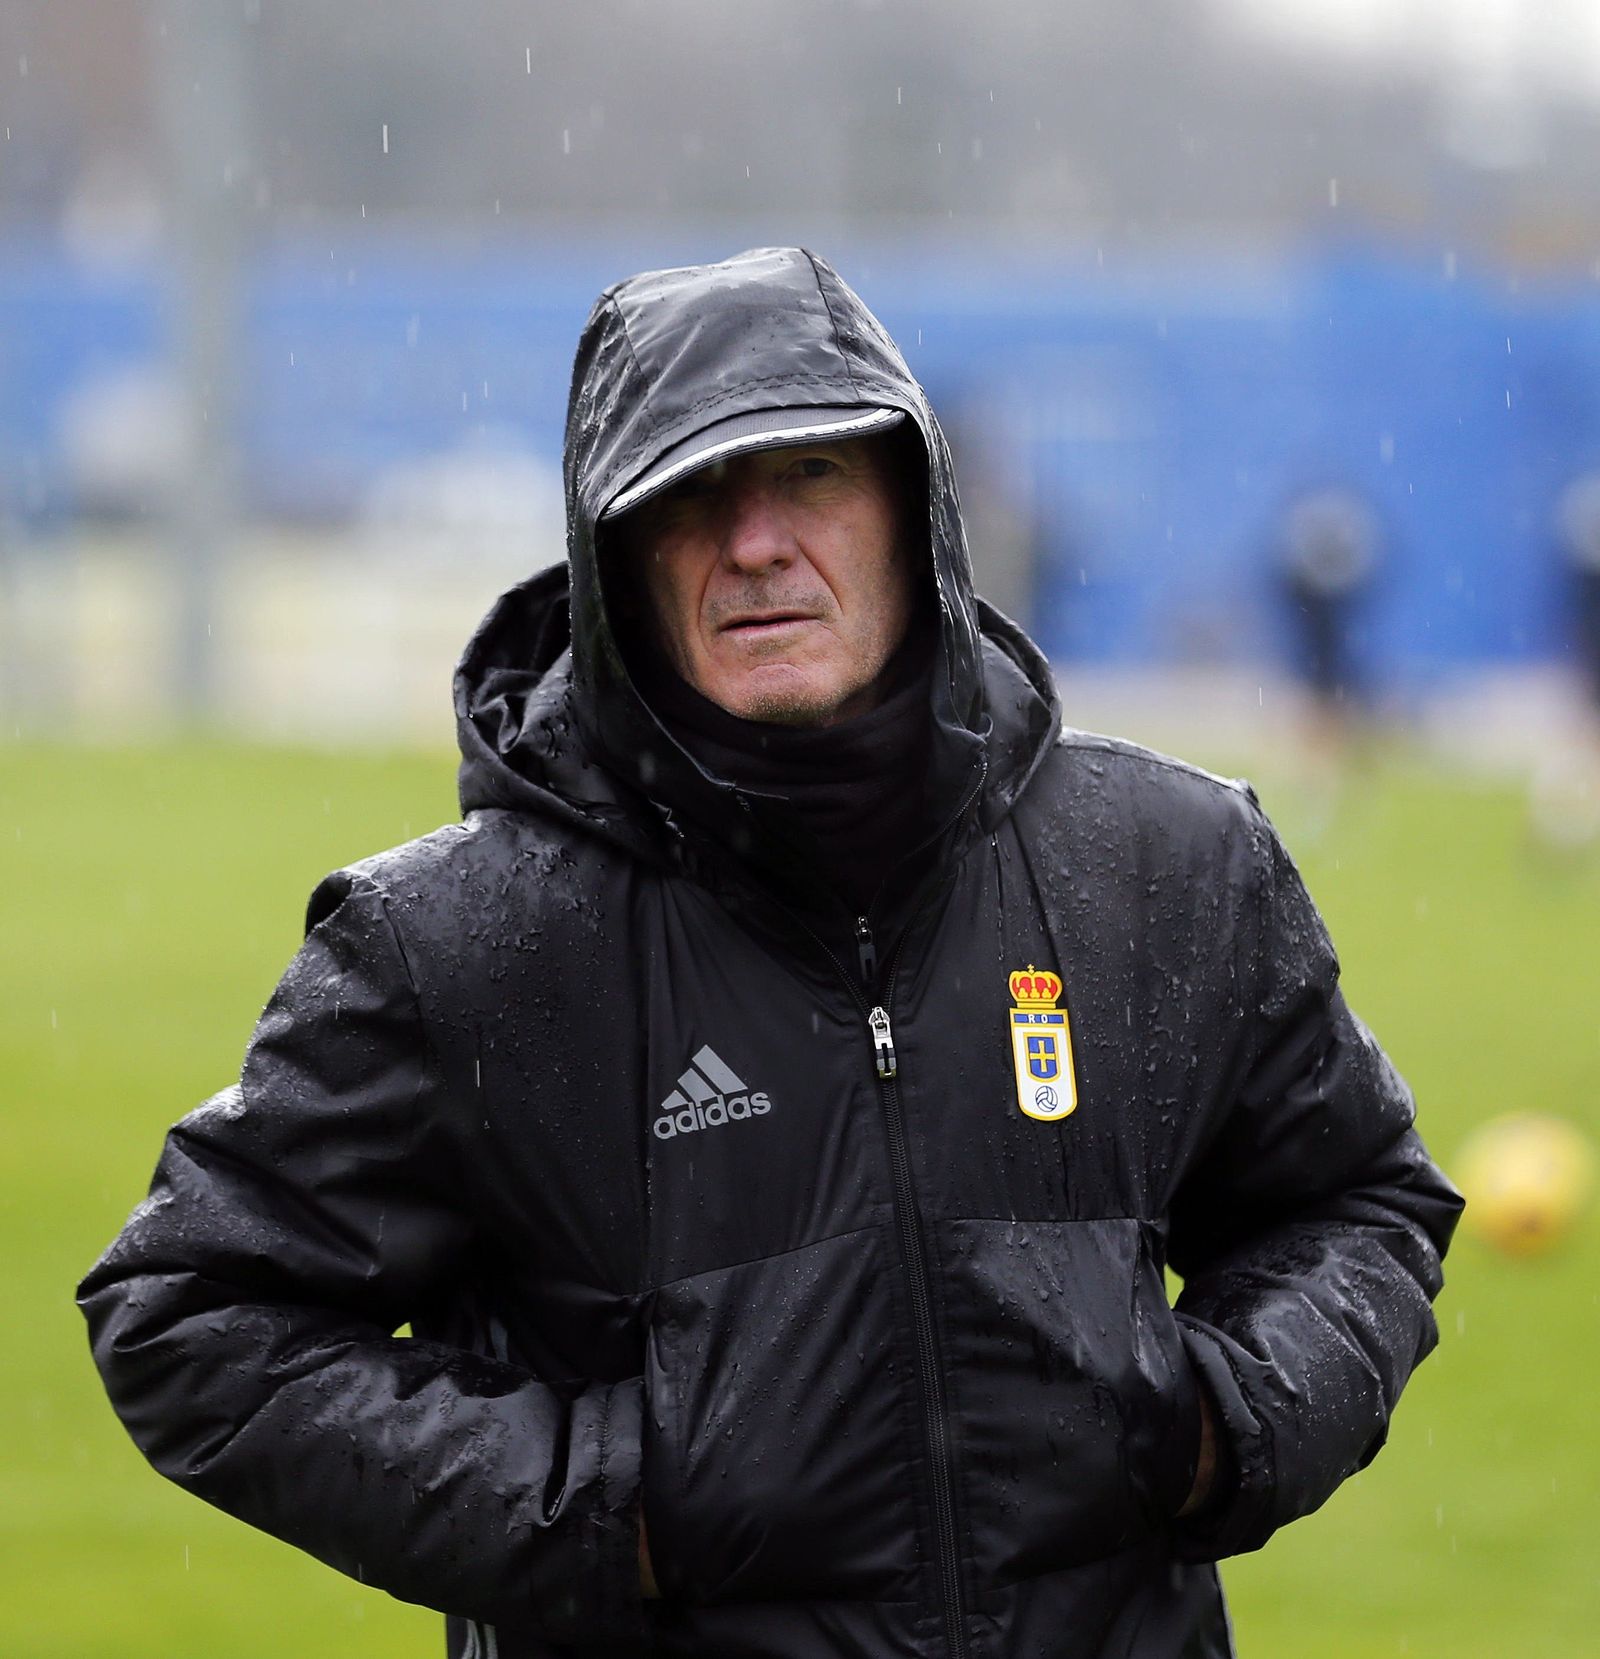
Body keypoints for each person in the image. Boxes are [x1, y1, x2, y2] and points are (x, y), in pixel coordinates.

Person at [81, 248, 1461, 1659]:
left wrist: (1218, 1432)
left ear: (910, 508)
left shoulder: (1167, 863)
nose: (754, 545)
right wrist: (614, 1509)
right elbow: (190, 1312)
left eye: (808, 475)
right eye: (687, 497)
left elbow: (1357, 1203)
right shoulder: (454, 947)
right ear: (615, 559)